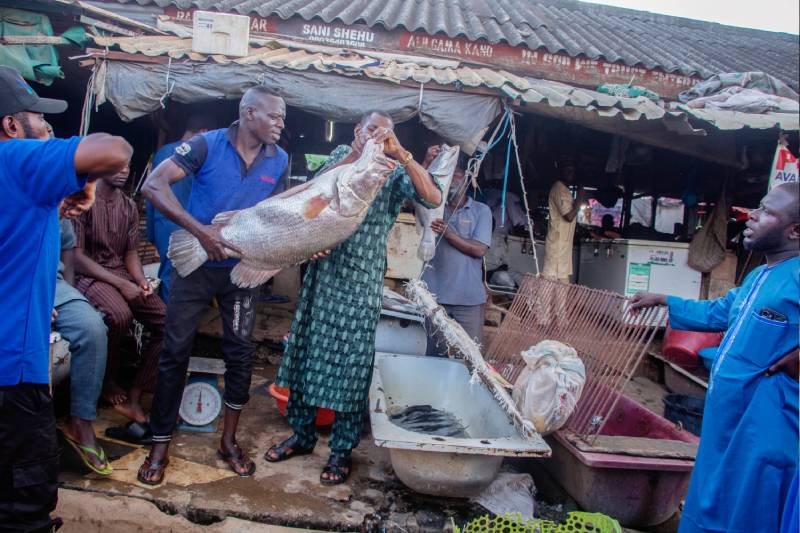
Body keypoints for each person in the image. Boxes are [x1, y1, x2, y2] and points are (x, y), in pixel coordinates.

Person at [266, 110, 442, 485]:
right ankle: (302, 436)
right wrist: (352, 156)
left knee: (352, 368)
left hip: (361, 285)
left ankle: (341, 451)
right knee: (304, 354)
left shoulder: (393, 173)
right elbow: (312, 199)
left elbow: (432, 196)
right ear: (357, 132)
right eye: (371, 130)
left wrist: (403, 154)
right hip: (323, 277)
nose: (377, 136)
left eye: (385, 132)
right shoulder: (339, 157)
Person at [0, 65, 131, 532]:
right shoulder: (15, 160)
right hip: (11, 377)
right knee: (23, 508)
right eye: (40, 120)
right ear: (12, 127)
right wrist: (85, 176)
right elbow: (115, 149)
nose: (48, 128)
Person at [138, 86, 289, 485]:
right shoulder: (205, 146)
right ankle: (159, 446)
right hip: (196, 263)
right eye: (274, 116)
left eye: (283, 118)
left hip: (241, 271)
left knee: (240, 352)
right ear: (249, 112)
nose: (280, 124)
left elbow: (273, 214)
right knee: (175, 350)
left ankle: (228, 441)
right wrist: (202, 233)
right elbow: (153, 186)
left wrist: (303, 242)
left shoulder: (280, 158)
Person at [630, 183, 799, 533]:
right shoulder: (759, 275)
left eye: (768, 213)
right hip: (726, 422)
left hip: (764, 427)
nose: (751, 216)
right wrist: (664, 299)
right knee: (711, 499)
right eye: (758, 207)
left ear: (795, 230)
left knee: (748, 512)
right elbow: (721, 311)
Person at [73, 162, 166, 432]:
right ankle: (108, 381)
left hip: (120, 274)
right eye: (116, 164)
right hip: (88, 276)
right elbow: (77, 258)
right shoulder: (82, 198)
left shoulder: (127, 205)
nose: (124, 170)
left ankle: (136, 393)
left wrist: (140, 281)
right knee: (119, 315)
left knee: (167, 321)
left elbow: (130, 254)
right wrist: (121, 284)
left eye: (128, 164)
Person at [421, 166, 493, 354]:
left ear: (468, 181)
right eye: (449, 176)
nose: (453, 180)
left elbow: (479, 249)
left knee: (471, 358)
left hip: (468, 300)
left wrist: (448, 234)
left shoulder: (480, 210)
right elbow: (416, 188)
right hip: (434, 298)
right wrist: (427, 162)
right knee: (433, 355)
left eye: (458, 176)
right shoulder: (432, 207)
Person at [146, 115, 216, 302]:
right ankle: (167, 321)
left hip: (167, 223)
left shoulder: (163, 152)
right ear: (203, 132)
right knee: (175, 273)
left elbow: (150, 194)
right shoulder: (192, 154)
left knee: (172, 270)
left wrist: (151, 232)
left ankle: (169, 317)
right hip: (182, 224)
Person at [542, 157, 585, 283]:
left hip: (563, 249)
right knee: (548, 287)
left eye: (572, 170)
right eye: (567, 170)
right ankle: (542, 304)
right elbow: (569, 216)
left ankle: (561, 304)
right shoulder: (558, 189)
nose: (571, 173)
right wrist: (580, 197)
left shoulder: (565, 190)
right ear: (560, 171)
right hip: (556, 246)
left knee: (562, 289)